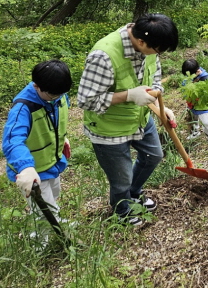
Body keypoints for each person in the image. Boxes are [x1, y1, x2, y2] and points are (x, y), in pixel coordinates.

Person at [77, 13, 179, 226]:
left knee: (153, 155)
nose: (158, 55)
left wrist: (159, 102)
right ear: (141, 41)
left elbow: (156, 77)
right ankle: (121, 209)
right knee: (121, 177)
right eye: (158, 50)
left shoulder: (150, 45)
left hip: (139, 119)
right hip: (109, 127)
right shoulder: (103, 55)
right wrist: (129, 95)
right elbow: (86, 100)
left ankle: (133, 193)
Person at [3, 60, 73, 229]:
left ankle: (55, 221)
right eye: (53, 96)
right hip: (34, 169)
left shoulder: (58, 94)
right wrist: (25, 167)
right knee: (43, 210)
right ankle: (41, 240)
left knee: (54, 194)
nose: (57, 98)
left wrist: (62, 137)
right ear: (36, 86)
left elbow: (55, 117)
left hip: (52, 161)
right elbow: (12, 140)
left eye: (61, 94)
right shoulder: (23, 108)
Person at [181, 59, 208, 144]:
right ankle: (196, 132)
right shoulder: (189, 76)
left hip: (202, 104)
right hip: (192, 103)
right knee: (194, 119)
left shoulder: (205, 77)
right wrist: (192, 80)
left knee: (205, 121)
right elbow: (184, 85)